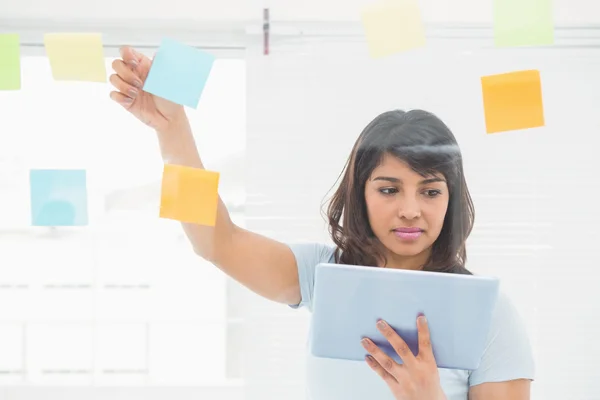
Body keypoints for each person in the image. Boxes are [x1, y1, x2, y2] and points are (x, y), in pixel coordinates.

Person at [109, 46, 535, 400]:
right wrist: (171, 127)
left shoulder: (489, 313)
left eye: (430, 191)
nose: (410, 209)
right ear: (361, 194)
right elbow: (216, 241)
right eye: (389, 190)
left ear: (451, 199)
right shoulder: (325, 274)